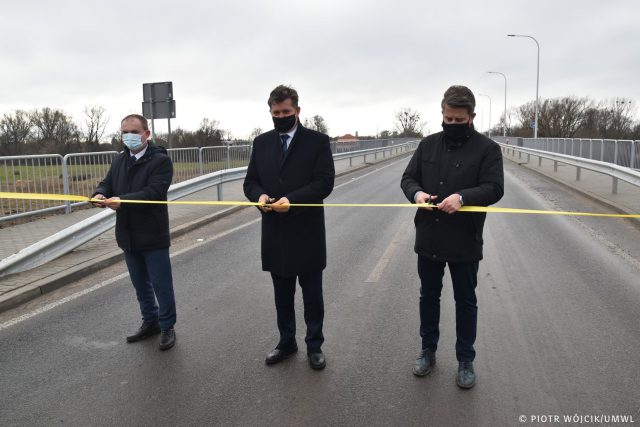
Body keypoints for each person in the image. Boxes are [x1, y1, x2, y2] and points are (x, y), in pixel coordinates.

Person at [400, 85, 504, 388]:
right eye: (448, 119)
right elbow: (408, 178)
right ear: (442, 114)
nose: (453, 125)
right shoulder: (428, 145)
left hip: (465, 237)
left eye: (460, 120)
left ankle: (465, 360)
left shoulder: (488, 149)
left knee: (465, 300)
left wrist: (462, 197)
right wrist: (416, 193)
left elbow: (494, 188)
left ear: (472, 116)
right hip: (429, 235)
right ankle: (427, 351)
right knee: (428, 296)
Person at [244, 85, 335, 370]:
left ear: (297, 110)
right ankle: (286, 341)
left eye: (286, 112)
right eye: (276, 112)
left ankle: (314, 345)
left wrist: (292, 200)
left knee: (312, 294)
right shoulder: (261, 143)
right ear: (270, 111)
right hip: (275, 231)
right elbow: (250, 181)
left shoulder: (317, 141)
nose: (281, 116)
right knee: (282, 294)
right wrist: (258, 196)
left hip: (306, 230)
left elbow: (324, 182)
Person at [92, 114, 177, 351]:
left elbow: (154, 192)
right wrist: (100, 194)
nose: (128, 136)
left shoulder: (160, 161)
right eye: (124, 132)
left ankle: (167, 325)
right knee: (140, 285)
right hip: (127, 234)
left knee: (161, 284)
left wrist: (123, 201)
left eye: (134, 131)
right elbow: (107, 183)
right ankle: (150, 321)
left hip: (153, 234)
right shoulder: (120, 160)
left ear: (146, 134)